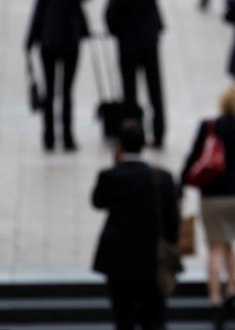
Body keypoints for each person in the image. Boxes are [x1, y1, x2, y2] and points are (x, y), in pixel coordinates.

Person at [92, 119, 180, 330]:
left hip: (117, 262)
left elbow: (97, 202)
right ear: (145, 144)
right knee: (154, 320)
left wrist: (116, 166)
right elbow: (173, 222)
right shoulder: (163, 178)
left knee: (123, 319)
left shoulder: (110, 176)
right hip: (152, 261)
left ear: (119, 147)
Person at [180, 85, 235, 320]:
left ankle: (215, 297)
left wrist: (181, 185)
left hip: (213, 193)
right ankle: (233, 287)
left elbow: (193, 156)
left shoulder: (209, 126)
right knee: (229, 242)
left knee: (215, 247)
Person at [105, 0, 167, 148]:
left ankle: (133, 134)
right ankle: (159, 135)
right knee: (155, 91)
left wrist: (117, 32)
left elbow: (110, 15)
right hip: (149, 40)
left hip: (127, 44)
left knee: (130, 94)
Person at [25, 0, 90, 151]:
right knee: (66, 93)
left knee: (51, 91)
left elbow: (38, 12)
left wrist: (29, 41)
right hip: (69, 44)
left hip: (49, 43)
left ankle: (49, 138)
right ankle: (68, 138)